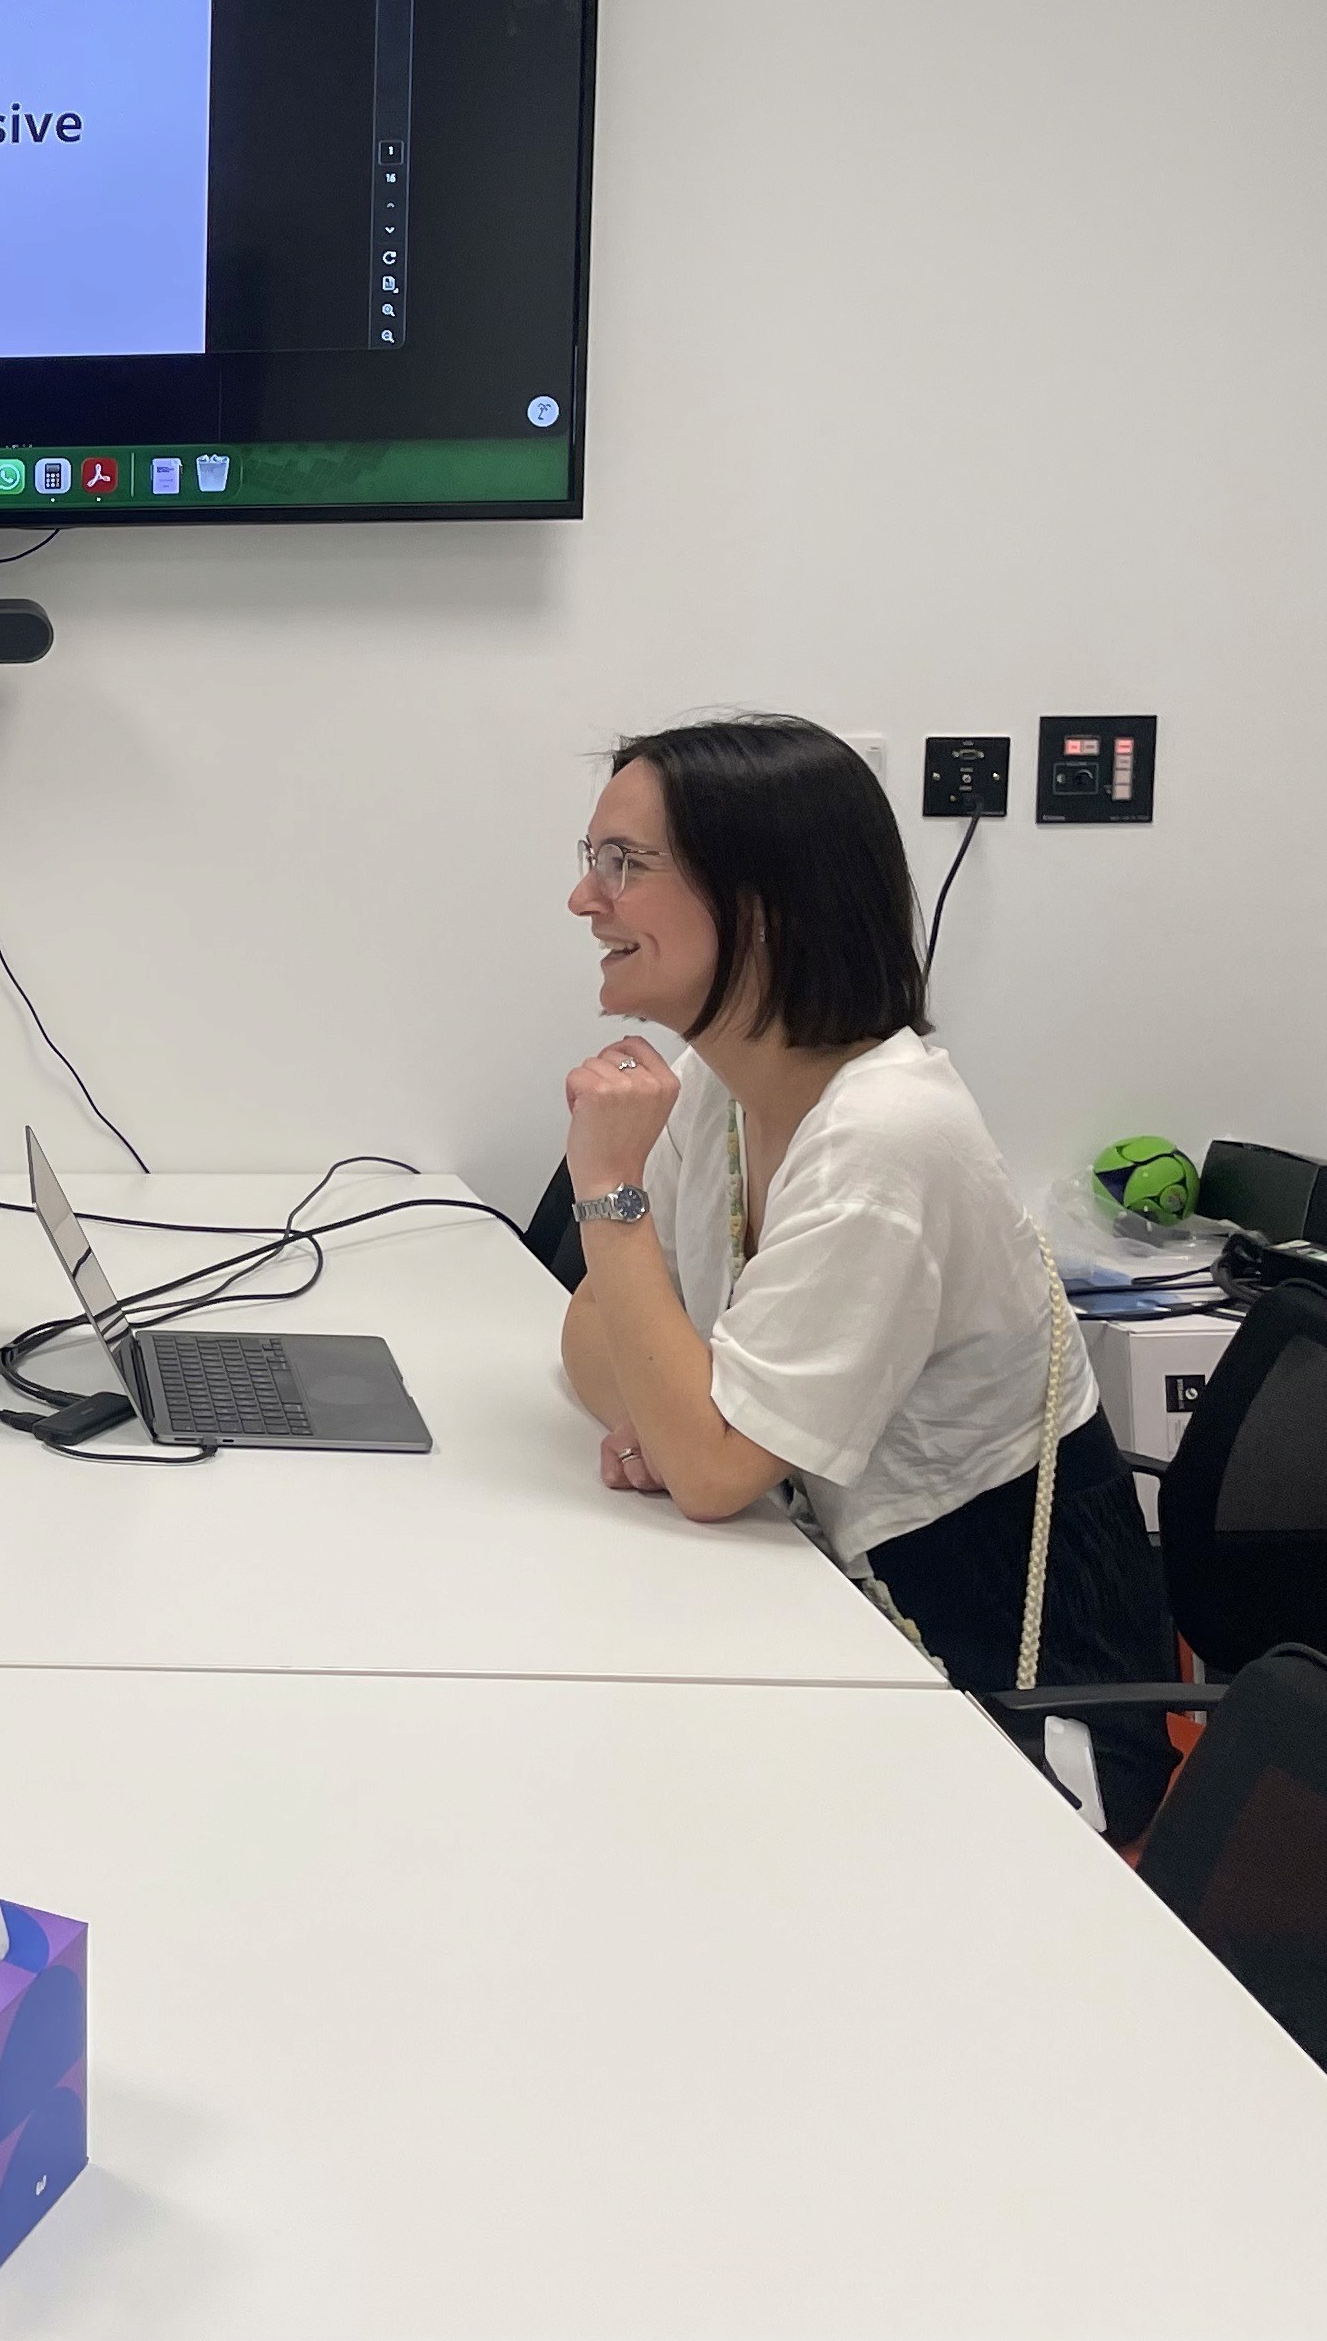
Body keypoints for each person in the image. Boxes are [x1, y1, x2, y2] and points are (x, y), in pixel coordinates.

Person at [554, 716, 1177, 1833]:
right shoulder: (720, 1092)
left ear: (764, 903)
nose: (585, 901)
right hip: (839, 1611)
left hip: (1013, 1704)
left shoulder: (886, 1142)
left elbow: (708, 1471)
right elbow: (591, 1340)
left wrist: (611, 1192)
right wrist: (683, 1413)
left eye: (624, 865)